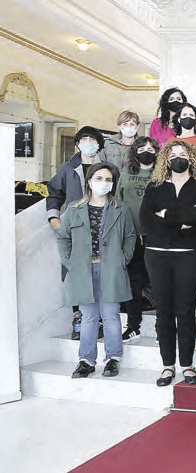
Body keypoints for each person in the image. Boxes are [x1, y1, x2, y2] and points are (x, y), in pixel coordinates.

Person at [140, 141, 196, 387]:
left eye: (183, 153)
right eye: (173, 154)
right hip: (157, 254)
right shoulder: (155, 186)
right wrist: (180, 221)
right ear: (165, 159)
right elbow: (146, 220)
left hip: (189, 254)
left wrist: (165, 215)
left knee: (185, 309)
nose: (178, 158)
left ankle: (187, 365)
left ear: (191, 158)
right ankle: (167, 365)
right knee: (163, 311)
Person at [58, 163, 136, 379]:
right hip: (82, 270)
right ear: (90, 181)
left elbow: (130, 237)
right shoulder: (73, 209)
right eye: (99, 178)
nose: (104, 183)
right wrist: (70, 262)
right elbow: (63, 238)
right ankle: (86, 361)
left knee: (111, 315)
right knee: (89, 317)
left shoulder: (121, 209)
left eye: (108, 179)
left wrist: (123, 259)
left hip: (111, 269)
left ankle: (113, 358)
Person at [47, 126, 118, 340]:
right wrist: (54, 219)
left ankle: (100, 318)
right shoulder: (68, 168)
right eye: (84, 138)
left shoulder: (108, 168)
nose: (88, 142)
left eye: (93, 139)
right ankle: (79, 318)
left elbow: (118, 196)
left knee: (103, 273)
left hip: (103, 227)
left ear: (99, 144)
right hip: (77, 229)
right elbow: (54, 194)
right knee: (77, 274)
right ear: (77, 143)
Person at [117, 137, 160, 341]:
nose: (146, 152)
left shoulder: (162, 175)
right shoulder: (126, 175)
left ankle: (163, 325)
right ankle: (133, 325)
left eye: (150, 149)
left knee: (159, 282)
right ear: (135, 152)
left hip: (155, 236)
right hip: (131, 236)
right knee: (133, 284)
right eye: (142, 149)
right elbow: (117, 203)